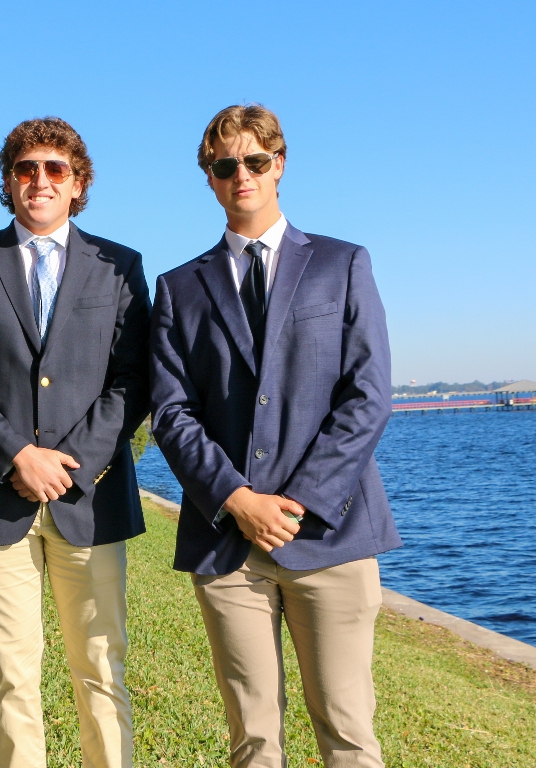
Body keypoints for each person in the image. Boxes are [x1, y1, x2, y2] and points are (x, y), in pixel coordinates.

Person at [148, 104, 401, 768]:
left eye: (256, 161)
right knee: (253, 740)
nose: (242, 175)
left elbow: (369, 394)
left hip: (331, 535)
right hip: (228, 544)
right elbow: (172, 412)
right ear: (209, 176)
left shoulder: (343, 264)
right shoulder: (178, 288)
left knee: (348, 732)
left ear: (279, 164)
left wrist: (300, 500)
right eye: (225, 165)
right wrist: (238, 500)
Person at [0, 117, 151, 768]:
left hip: (93, 500)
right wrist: (16, 456)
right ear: (9, 180)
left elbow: (134, 380)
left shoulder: (120, 267)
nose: (40, 181)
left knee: (103, 671)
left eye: (56, 169)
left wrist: (70, 465)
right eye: (26, 168)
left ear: (79, 183)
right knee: (12, 678)